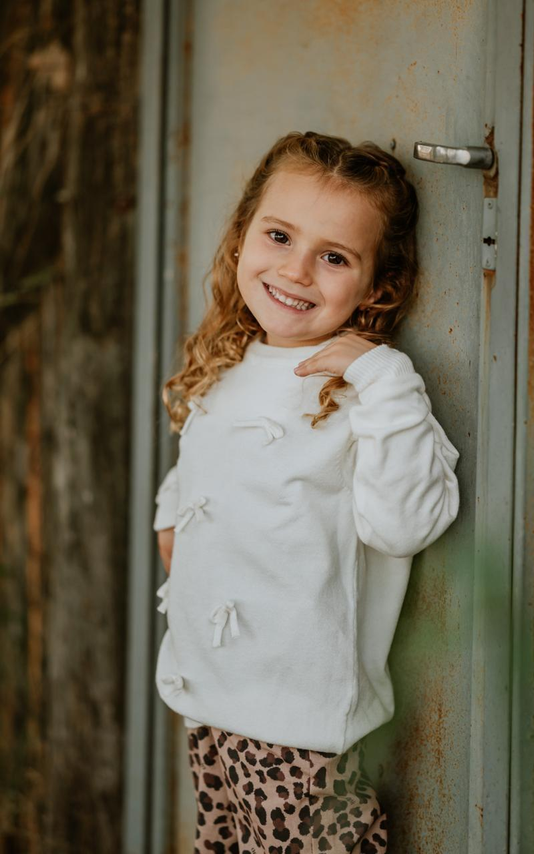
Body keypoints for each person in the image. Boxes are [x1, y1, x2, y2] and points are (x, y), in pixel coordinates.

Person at [152, 130, 460, 853]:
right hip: (211, 691)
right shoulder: (230, 359)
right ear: (242, 236)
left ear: (378, 286)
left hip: (297, 723)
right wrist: (171, 521)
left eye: (334, 257)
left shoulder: (367, 394)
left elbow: (404, 524)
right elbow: (202, 457)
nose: (295, 270)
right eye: (280, 236)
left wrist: (383, 378)